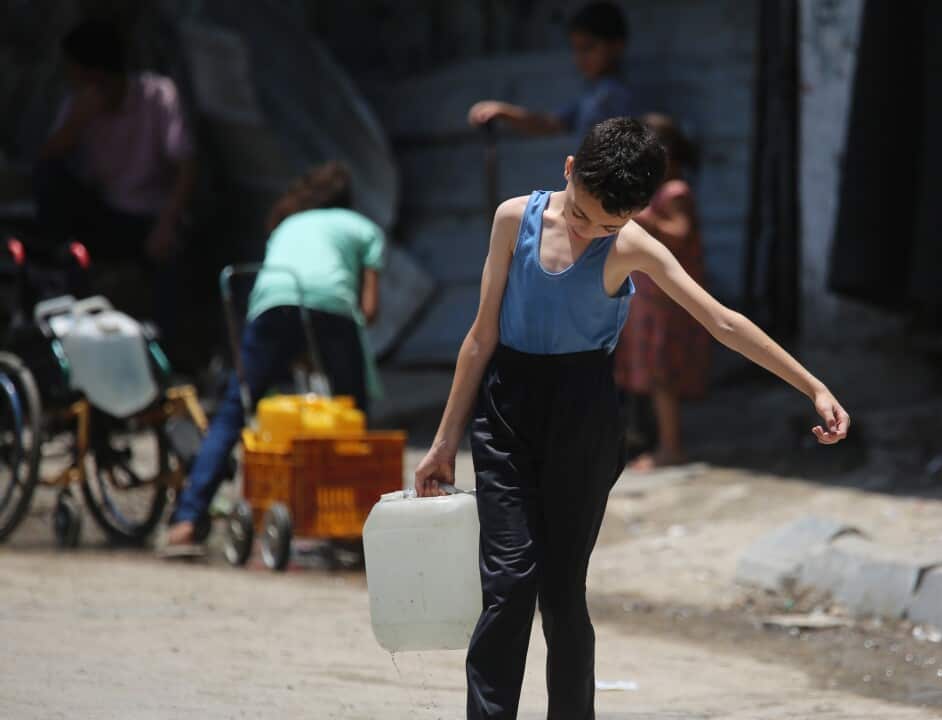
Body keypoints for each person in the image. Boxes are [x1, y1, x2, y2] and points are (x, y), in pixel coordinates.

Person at [412, 117, 850, 718]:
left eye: (609, 224)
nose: (590, 231)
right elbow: (480, 335)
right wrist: (443, 443)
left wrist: (813, 386)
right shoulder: (514, 219)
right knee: (509, 585)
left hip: (585, 415)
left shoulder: (631, 245)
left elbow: (721, 321)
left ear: (635, 214)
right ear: (569, 170)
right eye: (582, 214)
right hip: (505, 411)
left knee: (563, 594)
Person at [164, 162, 383, 548]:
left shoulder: (287, 225)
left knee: (235, 410)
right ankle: (351, 520)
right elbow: (368, 310)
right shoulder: (362, 228)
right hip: (331, 308)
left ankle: (186, 520)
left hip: (271, 303)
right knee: (352, 411)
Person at [34, 19, 195, 341]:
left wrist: (166, 224)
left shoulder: (158, 96)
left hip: (151, 215)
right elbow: (47, 159)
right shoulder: (78, 106)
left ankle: (171, 346)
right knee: (51, 180)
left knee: (176, 256)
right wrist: (77, 123)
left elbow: (187, 165)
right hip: (103, 211)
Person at [613, 114, 709, 470]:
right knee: (653, 372)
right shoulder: (658, 193)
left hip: (668, 299)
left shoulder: (675, 193)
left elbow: (681, 233)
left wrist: (641, 218)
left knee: (662, 373)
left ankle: (671, 448)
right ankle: (657, 441)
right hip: (653, 297)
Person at [467, 2, 633, 137]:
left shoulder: (621, 94)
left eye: (588, 48)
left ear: (616, 46)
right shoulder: (591, 95)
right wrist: (504, 112)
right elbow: (551, 123)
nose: (581, 58)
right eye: (576, 49)